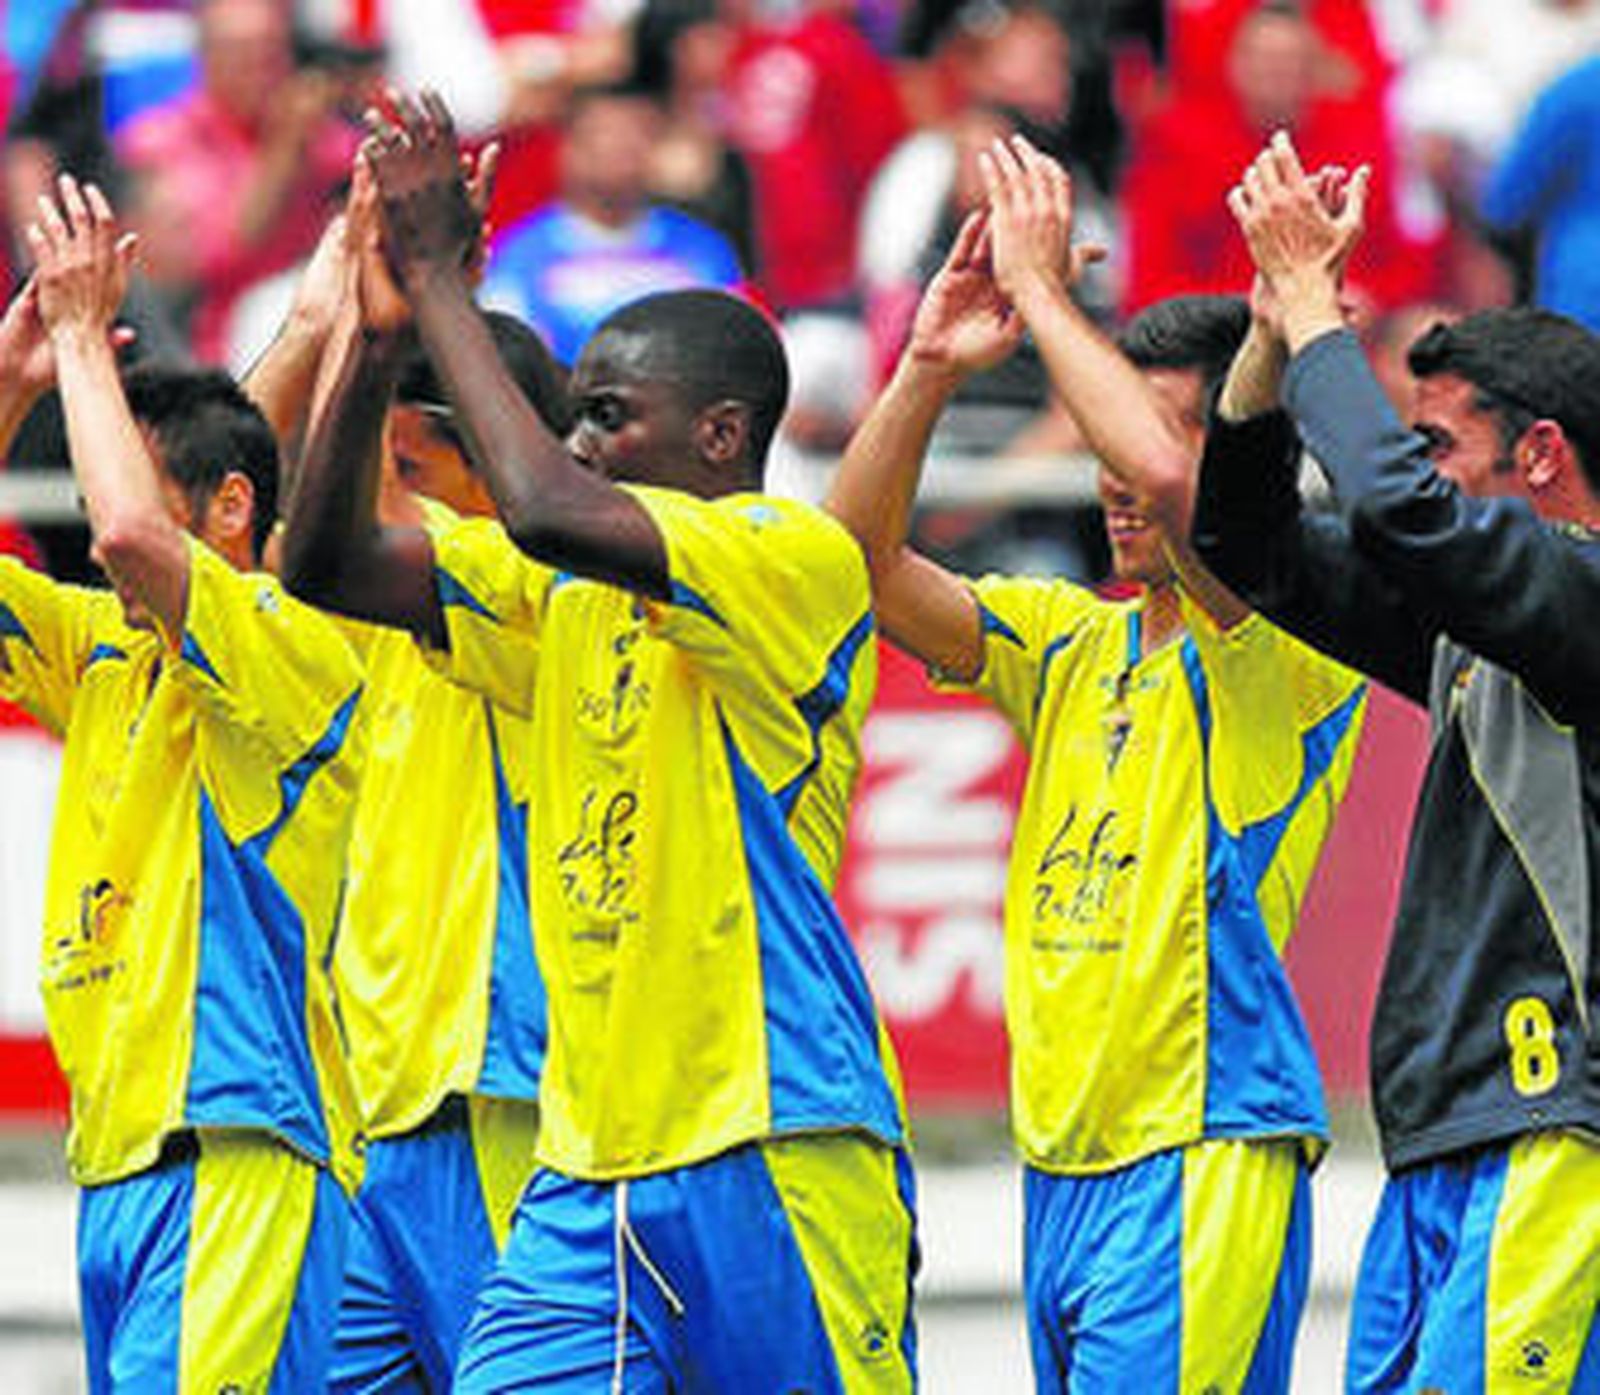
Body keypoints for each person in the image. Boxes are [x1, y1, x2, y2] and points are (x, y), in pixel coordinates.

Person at [286, 92, 915, 1391]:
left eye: (611, 414)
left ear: (724, 436)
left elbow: (543, 503)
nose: (581, 440)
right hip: (585, 1173)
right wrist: (378, 325)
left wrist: (452, 283)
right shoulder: (558, 597)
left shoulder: (790, 558)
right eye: (577, 414)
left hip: (776, 1135)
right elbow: (325, 561)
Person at [826, 135, 1366, 1390]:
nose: (1112, 476)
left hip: (1202, 1141)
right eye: (1099, 438)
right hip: (1063, 1162)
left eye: (1133, 434)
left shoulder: (1293, 645)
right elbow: (846, 570)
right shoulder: (1071, 641)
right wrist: (926, 367)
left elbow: (1188, 489)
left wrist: (1048, 297)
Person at [1195, 130, 1600, 1393]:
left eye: (1437, 441)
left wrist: (1322, 311)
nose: (1412, 469)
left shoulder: (1584, 594)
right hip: (1451, 1131)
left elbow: (1391, 512)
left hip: (1554, 1133)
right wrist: (1269, 342)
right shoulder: (1470, 620)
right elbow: (1243, 541)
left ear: (1537, 457)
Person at [0, 175, 363, 1390]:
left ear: (231, 510)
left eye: (126, 472)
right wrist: (15, 382)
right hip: (118, 1168)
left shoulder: (292, 652)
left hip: (242, 1155)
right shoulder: (104, 656)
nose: (102, 498)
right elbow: (139, 546)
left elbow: (134, 539)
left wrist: (78, 345)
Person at [281, 169, 566, 1391]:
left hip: (494, 1098)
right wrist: (343, 312)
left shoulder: (514, 579)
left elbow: (332, 542)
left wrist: (403, 311)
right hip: (379, 1115)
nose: (386, 490)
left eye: (409, 461)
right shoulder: (368, 618)